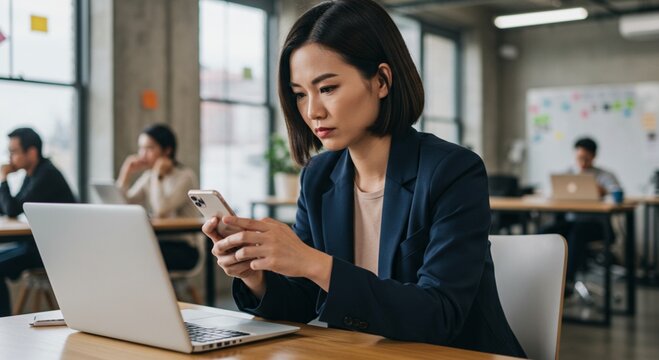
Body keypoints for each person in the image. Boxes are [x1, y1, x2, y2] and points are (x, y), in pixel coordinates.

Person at [201, 0, 525, 356]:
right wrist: (255, 274)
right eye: (299, 94)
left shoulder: (453, 171)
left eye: (327, 88)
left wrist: (313, 262)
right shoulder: (318, 178)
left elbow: (439, 316)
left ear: (382, 81)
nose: (312, 111)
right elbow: (304, 304)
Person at [0, 127, 76, 316]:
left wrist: (3, 179)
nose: (10, 158)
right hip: (38, 244)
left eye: (14, 152)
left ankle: (3, 324)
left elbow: (12, 209)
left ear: (31, 152)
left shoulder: (47, 175)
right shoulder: (32, 174)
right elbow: (7, 207)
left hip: (56, 250)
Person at [116, 123, 200, 272]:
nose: (142, 154)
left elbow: (161, 209)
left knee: (134, 255)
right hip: (157, 242)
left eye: (149, 148)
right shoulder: (149, 176)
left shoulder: (185, 177)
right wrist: (126, 173)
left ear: (167, 150)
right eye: (141, 148)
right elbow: (123, 203)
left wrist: (157, 174)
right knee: (123, 249)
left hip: (184, 248)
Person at [542, 137, 622, 293]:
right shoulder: (567, 175)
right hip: (572, 223)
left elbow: (617, 195)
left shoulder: (605, 176)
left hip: (597, 226)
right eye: (579, 158)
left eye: (587, 158)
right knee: (546, 231)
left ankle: (567, 283)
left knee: (577, 233)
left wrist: (603, 192)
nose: (583, 162)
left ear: (594, 157)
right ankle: (542, 278)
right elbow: (550, 193)